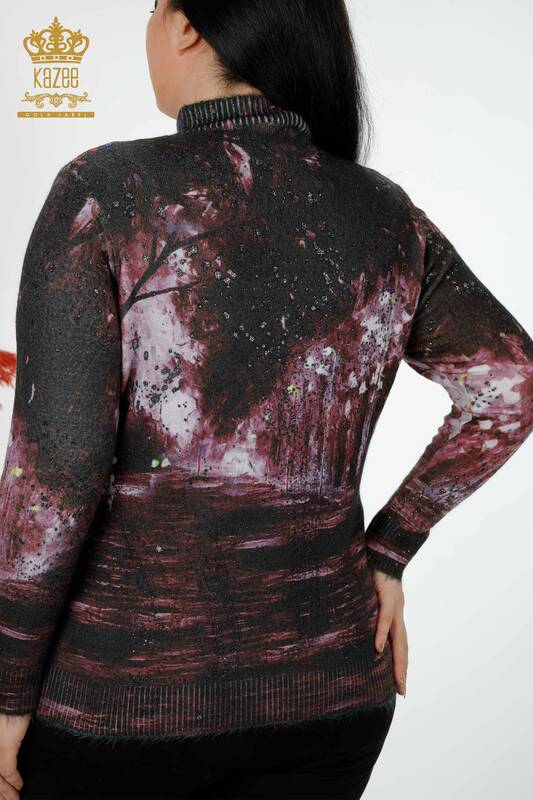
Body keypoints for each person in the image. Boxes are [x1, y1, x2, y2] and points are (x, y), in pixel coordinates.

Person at [1, 0, 532, 798]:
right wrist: (388, 548)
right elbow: (511, 383)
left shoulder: (103, 190)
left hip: (119, 709)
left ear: (185, 23)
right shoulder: (385, 213)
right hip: (333, 699)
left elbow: (60, 468)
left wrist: (7, 685)